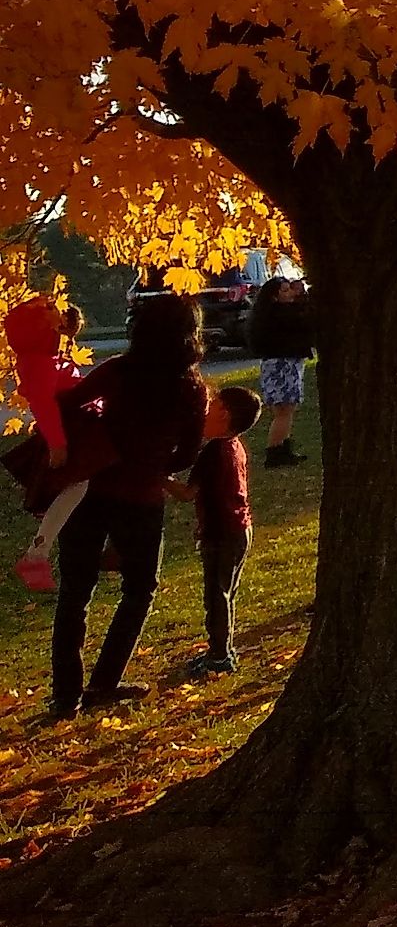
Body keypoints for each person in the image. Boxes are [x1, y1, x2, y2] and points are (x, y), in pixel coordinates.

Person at [48, 294, 209, 719]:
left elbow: (66, 405)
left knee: (76, 591)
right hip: (140, 496)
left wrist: (94, 434)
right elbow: (189, 452)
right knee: (139, 588)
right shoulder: (190, 389)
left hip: (90, 488)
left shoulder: (118, 371)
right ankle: (105, 680)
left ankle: (66, 693)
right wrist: (156, 464)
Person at [173, 384, 259, 678]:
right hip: (241, 529)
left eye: (212, 404)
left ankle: (219, 656)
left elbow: (187, 493)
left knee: (216, 596)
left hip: (221, 533)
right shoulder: (236, 446)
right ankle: (223, 649)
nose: (204, 410)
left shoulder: (213, 451)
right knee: (227, 593)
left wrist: (156, 475)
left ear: (223, 413)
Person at [8, 296, 89, 594]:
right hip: (66, 435)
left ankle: (41, 553)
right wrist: (57, 444)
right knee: (77, 485)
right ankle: (37, 554)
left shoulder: (46, 358)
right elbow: (44, 405)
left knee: (82, 488)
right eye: (54, 328)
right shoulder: (38, 362)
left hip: (75, 431)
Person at [242, 274, 314, 468]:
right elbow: (302, 321)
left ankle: (282, 446)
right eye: (285, 290)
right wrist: (303, 298)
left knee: (286, 410)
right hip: (283, 365)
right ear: (274, 297)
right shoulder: (280, 314)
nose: (290, 293)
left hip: (283, 364)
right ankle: (275, 451)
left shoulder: (274, 315)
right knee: (284, 410)